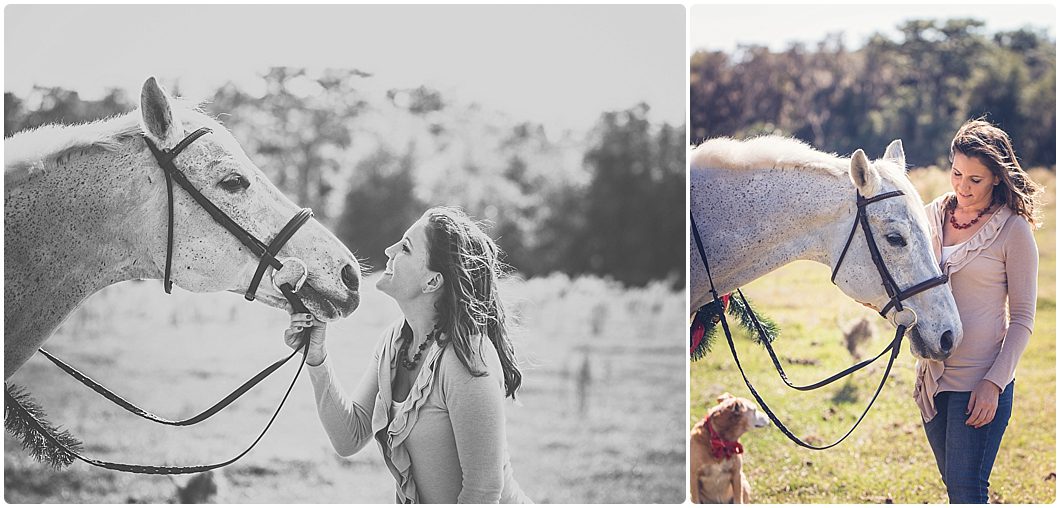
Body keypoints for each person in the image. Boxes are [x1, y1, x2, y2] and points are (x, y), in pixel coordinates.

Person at [285, 206, 531, 503]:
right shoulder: (394, 342)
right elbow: (349, 437)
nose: (389, 250)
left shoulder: (467, 358)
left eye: (405, 248)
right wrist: (316, 355)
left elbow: (483, 492)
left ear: (432, 282)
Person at [913, 119, 1042, 503]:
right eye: (956, 174)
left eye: (975, 180)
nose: (962, 188)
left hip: (980, 384)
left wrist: (994, 383)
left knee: (967, 492)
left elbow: (1022, 319)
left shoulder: (1014, 230)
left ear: (998, 179)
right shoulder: (932, 214)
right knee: (956, 490)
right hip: (933, 382)